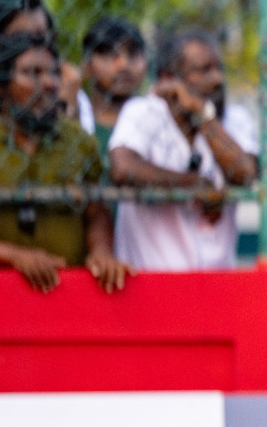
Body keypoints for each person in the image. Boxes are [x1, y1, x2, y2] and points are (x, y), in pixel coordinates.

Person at [107, 31, 258, 271]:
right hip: (151, 282)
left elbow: (245, 174)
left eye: (219, 69)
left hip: (218, 282)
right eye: (204, 70)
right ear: (168, 79)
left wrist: (203, 115)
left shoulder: (234, 118)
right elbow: (122, 168)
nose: (218, 79)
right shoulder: (144, 112)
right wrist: (192, 184)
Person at [0, 33, 131, 294]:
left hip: (68, 296)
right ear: (2, 85)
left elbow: (95, 211)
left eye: (54, 73)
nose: (48, 83)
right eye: (32, 73)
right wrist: (15, 256)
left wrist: (101, 250)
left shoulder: (78, 141)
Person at [0, 0, 84, 123]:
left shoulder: (68, 80)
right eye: (20, 36)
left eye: (39, 36)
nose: (32, 45)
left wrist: (68, 101)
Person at [78, 17, 148, 161]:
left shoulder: (155, 122)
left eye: (133, 54)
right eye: (110, 54)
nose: (124, 65)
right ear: (87, 66)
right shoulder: (75, 121)